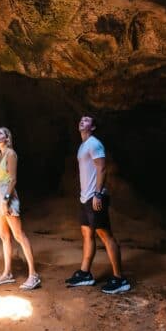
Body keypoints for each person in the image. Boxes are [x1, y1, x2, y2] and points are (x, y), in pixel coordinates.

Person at [65, 115, 131, 294]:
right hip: (85, 198)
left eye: (86, 120)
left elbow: (102, 168)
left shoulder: (94, 143)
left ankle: (120, 279)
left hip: (95, 197)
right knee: (87, 233)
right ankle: (85, 273)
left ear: (93, 127)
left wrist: (97, 194)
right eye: (81, 119)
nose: (82, 121)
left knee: (105, 235)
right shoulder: (83, 145)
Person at [0, 126, 41, 290]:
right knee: (4, 236)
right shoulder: (0, 154)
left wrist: (5, 200)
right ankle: (7, 273)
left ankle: (33, 275)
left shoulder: (11, 154)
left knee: (19, 235)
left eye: (1, 133)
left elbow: (12, 180)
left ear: (7, 138)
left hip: (7, 196)